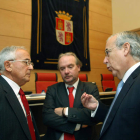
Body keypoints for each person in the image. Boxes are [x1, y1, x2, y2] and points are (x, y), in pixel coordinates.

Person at [81, 31, 140, 140]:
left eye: (107, 52)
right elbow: (124, 118)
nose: (104, 60)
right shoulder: (126, 82)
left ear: (126, 48)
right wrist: (98, 107)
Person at [42, 52, 100, 140]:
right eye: (62, 68)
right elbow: (47, 117)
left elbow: (93, 116)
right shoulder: (52, 90)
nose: (66, 72)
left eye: (70, 67)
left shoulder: (91, 88)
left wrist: (65, 111)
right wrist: (77, 125)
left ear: (78, 67)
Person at [0, 46, 40, 140]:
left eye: (30, 63)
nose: (31, 67)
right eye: (26, 62)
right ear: (8, 66)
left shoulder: (19, 93)